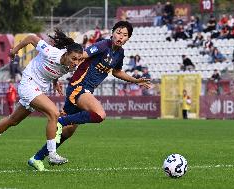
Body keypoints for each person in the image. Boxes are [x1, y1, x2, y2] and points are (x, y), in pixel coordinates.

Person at [28, 21, 152, 171]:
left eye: (125, 35)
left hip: (85, 91)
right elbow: (81, 55)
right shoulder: (102, 45)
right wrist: (58, 72)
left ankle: (37, 158)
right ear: (112, 32)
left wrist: (136, 80)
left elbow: (116, 72)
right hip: (79, 87)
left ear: (128, 39)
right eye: (118, 32)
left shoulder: (120, 53)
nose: (120, 37)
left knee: (68, 131)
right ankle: (60, 121)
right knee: (100, 114)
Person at [0, 30, 84, 168]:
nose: (76, 62)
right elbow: (31, 38)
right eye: (74, 58)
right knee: (54, 113)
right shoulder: (51, 52)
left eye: (79, 59)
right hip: (28, 84)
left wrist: (55, 82)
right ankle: (52, 154)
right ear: (66, 54)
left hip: (39, 90)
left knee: (13, 120)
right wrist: (14, 50)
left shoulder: (69, 66)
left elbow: (56, 70)